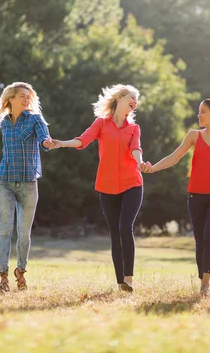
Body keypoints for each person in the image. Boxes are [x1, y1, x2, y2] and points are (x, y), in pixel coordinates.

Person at [51, 85, 148, 292]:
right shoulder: (101, 124)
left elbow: (136, 148)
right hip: (107, 185)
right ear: (120, 98)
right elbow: (82, 140)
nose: (135, 102)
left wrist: (140, 162)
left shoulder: (134, 128)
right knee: (115, 233)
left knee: (125, 227)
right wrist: (61, 143)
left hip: (132, 182)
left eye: (136, 100)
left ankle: (129, 278)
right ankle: (120, 281)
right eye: (132, 97)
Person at [144, 99, 210, 297]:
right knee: (200, 239)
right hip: (196, 195)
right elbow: (174, 157)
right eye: (199, 112)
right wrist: (153, 168)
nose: (199, 115)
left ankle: (205, 284)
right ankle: (202, 280)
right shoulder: (193, 135)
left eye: (203, 112)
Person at [0, 82, 56, 293]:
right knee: (5, 231)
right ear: (11, 98)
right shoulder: (4, 122)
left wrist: (47, 142)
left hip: (28, 183)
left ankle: (20, 271)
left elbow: (43, 137)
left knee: (24, 233)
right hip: (4, 181)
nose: (26, 99)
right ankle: (3, 276)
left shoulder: (35, 119)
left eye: (28, 96)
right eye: (22, 95)